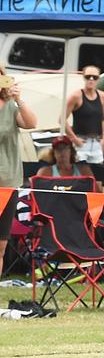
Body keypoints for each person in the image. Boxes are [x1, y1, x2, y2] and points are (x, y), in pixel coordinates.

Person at [0, 69, 38, 281]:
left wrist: (18, 98)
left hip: (7, 183)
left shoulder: (12, 106)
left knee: (1, 245)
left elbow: (32, 123)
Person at [64, 65, 104, 164]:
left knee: (97, 175)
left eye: (95, 77)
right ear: (83, 77)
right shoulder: (76, 96)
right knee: (80, 174)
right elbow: (62, 119)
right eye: (88, 77)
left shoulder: (102, 96)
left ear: (98, 79)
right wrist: (74, 138)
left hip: (97, 142)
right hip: (81, 141)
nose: (91, 80)